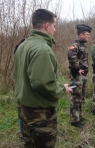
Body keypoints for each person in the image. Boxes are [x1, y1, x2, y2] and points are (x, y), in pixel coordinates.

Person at [14, 9, 72, 148]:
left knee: (29, 144)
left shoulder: (23, 45)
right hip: (39, 115)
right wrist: (61, 89)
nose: (55, 30)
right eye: (54, 26)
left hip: (24, 110)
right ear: (47, 26)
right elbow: (41, 83)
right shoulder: (42, 49)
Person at [67, 24, 92, 128]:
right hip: (76, 77)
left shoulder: (83, 45)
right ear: (81, 34)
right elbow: (71, 56)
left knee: (81, 97)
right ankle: (74, 120)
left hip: (83, 77)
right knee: (76, 97)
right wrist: (77, 69)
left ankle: (79, 116)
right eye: (87, 34)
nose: (89, 36)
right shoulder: (75, 45)